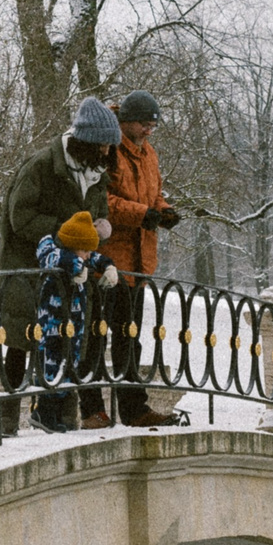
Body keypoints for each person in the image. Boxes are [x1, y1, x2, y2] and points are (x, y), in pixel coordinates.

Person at [0, 98, 121, 436]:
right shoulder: (41, 167)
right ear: (85, 142)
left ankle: (60, 419)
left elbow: (96, 215)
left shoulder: (96, 174)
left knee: (67, 342)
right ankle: (5, 422)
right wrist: (66, 233)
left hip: (70, 277)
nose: (107, 152)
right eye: (103, 145)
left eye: (110, 146)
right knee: (19, 341)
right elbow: (20, 217)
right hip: (27, 270)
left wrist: (100, 229)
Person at [96, 90, 180, 427]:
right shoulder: (109, 149)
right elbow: (102, 201)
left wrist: (163, 210)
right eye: (144, 124)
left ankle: (133, 408)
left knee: (129, 336)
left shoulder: (149, 154)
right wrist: (143, 214)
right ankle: (94, 408)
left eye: (152, 126)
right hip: (108, 260)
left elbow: (153, 195)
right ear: (127, 121)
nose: (148, 130)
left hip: (138, 262)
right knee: (98, 335)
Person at [32, 211, 119, 431]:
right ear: (73, 245)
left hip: (73, 323)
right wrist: (76, 266)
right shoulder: (51, 249)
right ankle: (44, 411)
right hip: (53, 323)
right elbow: (54, 257)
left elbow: (94, 257)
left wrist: (108, 266)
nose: (88, 256)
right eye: (85, 251)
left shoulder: (79, 253)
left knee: (70, 362)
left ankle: (57, 413)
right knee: (52, 362)